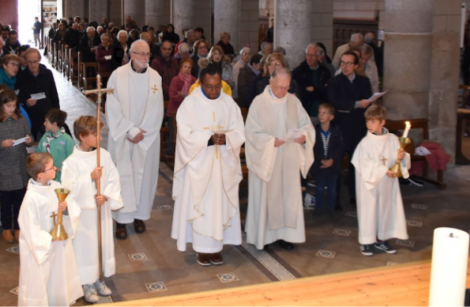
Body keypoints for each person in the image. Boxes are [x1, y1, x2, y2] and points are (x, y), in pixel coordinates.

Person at [172, 64, 245, 266]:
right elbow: (184, 134)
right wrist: (209, 139)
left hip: (223, 165)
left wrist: (227, 138)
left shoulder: (229, 104)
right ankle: (202, 249)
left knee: (219, 205)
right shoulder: (190, 104)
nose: (213, 91)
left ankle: (218, 247)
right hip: (199, 165)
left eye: (217, 86)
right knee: (202, 206)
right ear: (201, 84)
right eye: (209, 86)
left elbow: (239, 131)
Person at [244, 67, 315, 251]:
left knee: (287, 197)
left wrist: (304, 137)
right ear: (271, 83)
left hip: (289, 159)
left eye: (286, 87)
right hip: (268, 160)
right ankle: (265, 237)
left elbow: (306, 125)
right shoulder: (258, 103)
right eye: (279, 87)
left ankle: (285, 235)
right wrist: (269, 142)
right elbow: (251, 133)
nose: (283, 91)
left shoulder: (293, 101)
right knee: (268, 196)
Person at [105, 40, 163, 240]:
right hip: (124, 137)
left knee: (144, 177)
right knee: (122, 177)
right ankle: (121, 221)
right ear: (131, 54)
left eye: (148, 54)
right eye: (141, 54)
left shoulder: (155, 77)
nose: (145, 58)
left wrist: (142, 134)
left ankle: (139, 216)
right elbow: (111, 107)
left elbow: (158, 110)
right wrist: (130, 130)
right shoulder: (117, 76)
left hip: (146, 138)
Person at [61, 115, 122, 304]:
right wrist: (89, 178)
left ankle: (97, 278)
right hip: (84, 215)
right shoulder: (71, 162)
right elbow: (67, 189)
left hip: (100, 210)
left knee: (99, 245)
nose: (100, 138)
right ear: (81, 136)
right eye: (94, 134)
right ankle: (86, 283)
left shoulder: (103, 155)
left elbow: (113, 177)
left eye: (99, 133)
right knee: (85, 248)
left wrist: (106, 195)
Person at [18, 152, 82, 306]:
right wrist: (49, 238)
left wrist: (65, 210)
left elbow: (73, 207)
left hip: (59, 247)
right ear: (40, 175)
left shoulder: (56, 187)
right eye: (51, 168)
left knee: (59, 279)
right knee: (42, 282)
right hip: (42, 250)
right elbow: (29, 228)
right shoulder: (31, 198)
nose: (56, 169)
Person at [351, 105, 409, 256]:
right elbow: (364, 163)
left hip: (387, 184)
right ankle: (366, 241)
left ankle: (382, 239)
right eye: (367, 121)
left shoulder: (393, 139)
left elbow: (401, 158)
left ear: (382, 122)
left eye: (373, 121)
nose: (369, 125)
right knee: (369, 211)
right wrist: (384, 170)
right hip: (369, 185)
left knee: (385, 210)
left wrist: (402, 158)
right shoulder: (365, 143)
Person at [0, 88, 35, 243]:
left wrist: (29, 140)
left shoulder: (21, 120)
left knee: (20, 200)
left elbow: (30, 137)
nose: (11, 109)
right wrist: (2, 144)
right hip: (3, 165)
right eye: (8, 106)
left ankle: (19, 228)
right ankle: (6, 228)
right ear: (1, 106)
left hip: (20, 164)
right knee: (6, 201)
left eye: (14, 106)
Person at [327, 50, 373, 205]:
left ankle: (355, 194)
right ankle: (336, 197)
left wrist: (354, 106)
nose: (345, 66)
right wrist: (356, 104)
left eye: (348, 63)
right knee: (337, 163)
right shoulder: (335, 81)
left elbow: (368, 101)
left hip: (358, 127)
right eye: (342, 63)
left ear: (356, 65)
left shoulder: (364, 81)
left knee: (356, 163)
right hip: (340, 128)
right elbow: (335, 102)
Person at [17, 48, 60, 141]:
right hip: (31, 114)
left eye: (35, 61)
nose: (33, 65)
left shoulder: (47, 73)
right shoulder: (21, 76)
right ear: (25, 61)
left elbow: (54, 94)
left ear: (39, 60)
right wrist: (26, 101)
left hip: (47, 112)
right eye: (30, 62)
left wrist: (57, 114)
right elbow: (19, 97)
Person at [310, 104, 345, 213]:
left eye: (324, 113)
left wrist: (332, 160)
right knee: (319, 188)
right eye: (319, 112)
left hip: (333, 165)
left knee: (332, 189)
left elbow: (340, 148)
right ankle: (319, 209)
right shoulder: (315, 130)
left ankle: (331, 209)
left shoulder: (336, 131)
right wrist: (321, 160)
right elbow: (313, 148)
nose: (320, 115)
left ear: (331, 117)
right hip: (319, 164)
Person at [293, 44, 332, 119]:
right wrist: (319, 89)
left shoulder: (325, 71)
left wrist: (314, 89)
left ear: (318, 57)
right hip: (306, 108)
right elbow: (300, 91)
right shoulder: (299, 71)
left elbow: (328, 90)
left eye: (312, 55)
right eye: (307, 55)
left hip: (322, 109)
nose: (309, 58)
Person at [35, 108, 74, 183]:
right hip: (46, 179)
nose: (44, 123)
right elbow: (38, 152)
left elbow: (73, 160)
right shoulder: (45, 137)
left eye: (46, 121)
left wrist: (59, 169)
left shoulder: (66, 140)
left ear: (54, 124)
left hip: (61, 180)